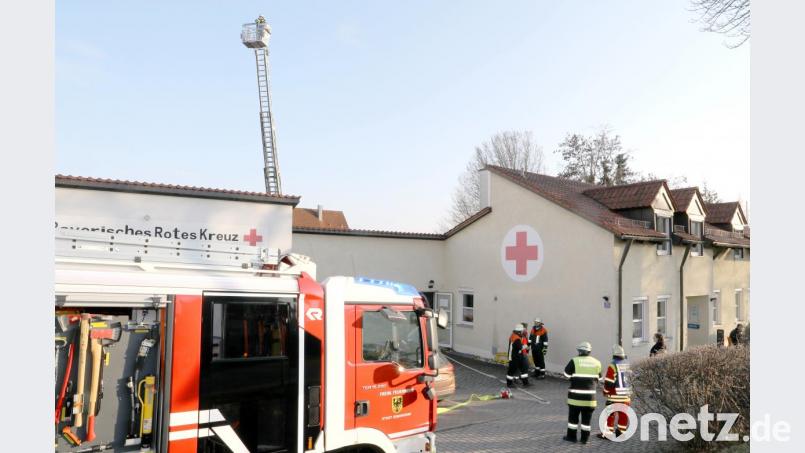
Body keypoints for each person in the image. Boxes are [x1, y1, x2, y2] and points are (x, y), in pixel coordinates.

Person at [563, 341, 602, 444]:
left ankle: (571, 437)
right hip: (590, 399)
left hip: (575, 398)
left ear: (579, 351)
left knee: (573, 420)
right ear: (589, 351)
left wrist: (574, 378)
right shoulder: (597, 362)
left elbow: (566, 375)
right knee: (586, 421)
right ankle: (584, 439)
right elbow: (600, 378)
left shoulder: (574, 361)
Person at [599, 345, 632, 440]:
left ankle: (608, 434)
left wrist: (605, 391)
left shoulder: (613, 365)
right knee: (623, 415)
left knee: (610, 414)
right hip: (626, 395)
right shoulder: (627, 363)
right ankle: (621, 433)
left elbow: (609, 382)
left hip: (614, 395)